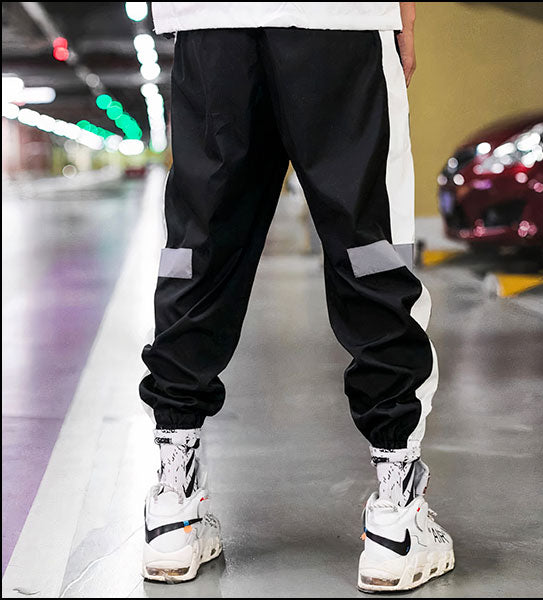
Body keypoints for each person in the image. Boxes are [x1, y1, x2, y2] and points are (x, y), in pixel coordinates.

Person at [140, 2, 454, 592]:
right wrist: (404, 15)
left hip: (210, 24)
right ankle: (396, 518)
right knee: (370, 249)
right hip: (339, 19)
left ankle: (173, 506)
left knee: (198, 254)